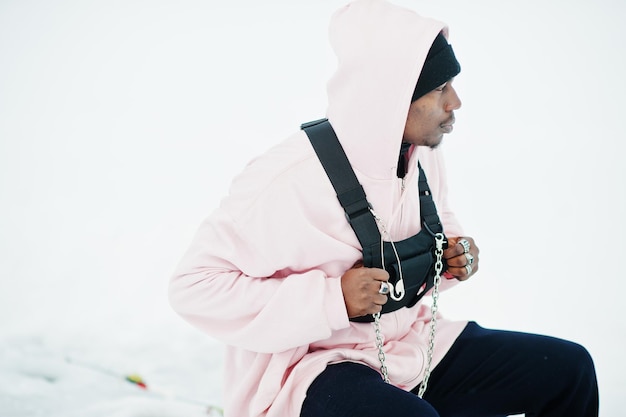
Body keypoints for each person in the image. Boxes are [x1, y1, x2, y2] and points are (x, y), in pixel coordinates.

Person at [169, 0, 599, 416]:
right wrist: (332, 298)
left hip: (410, 345)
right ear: (392, 98)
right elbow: (194, 287)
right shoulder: (287, 181)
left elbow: (436, 218)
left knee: (568, 371)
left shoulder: (419, 154)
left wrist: (449, 255)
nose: (455, 104)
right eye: (439, 89)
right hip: (312, 368)